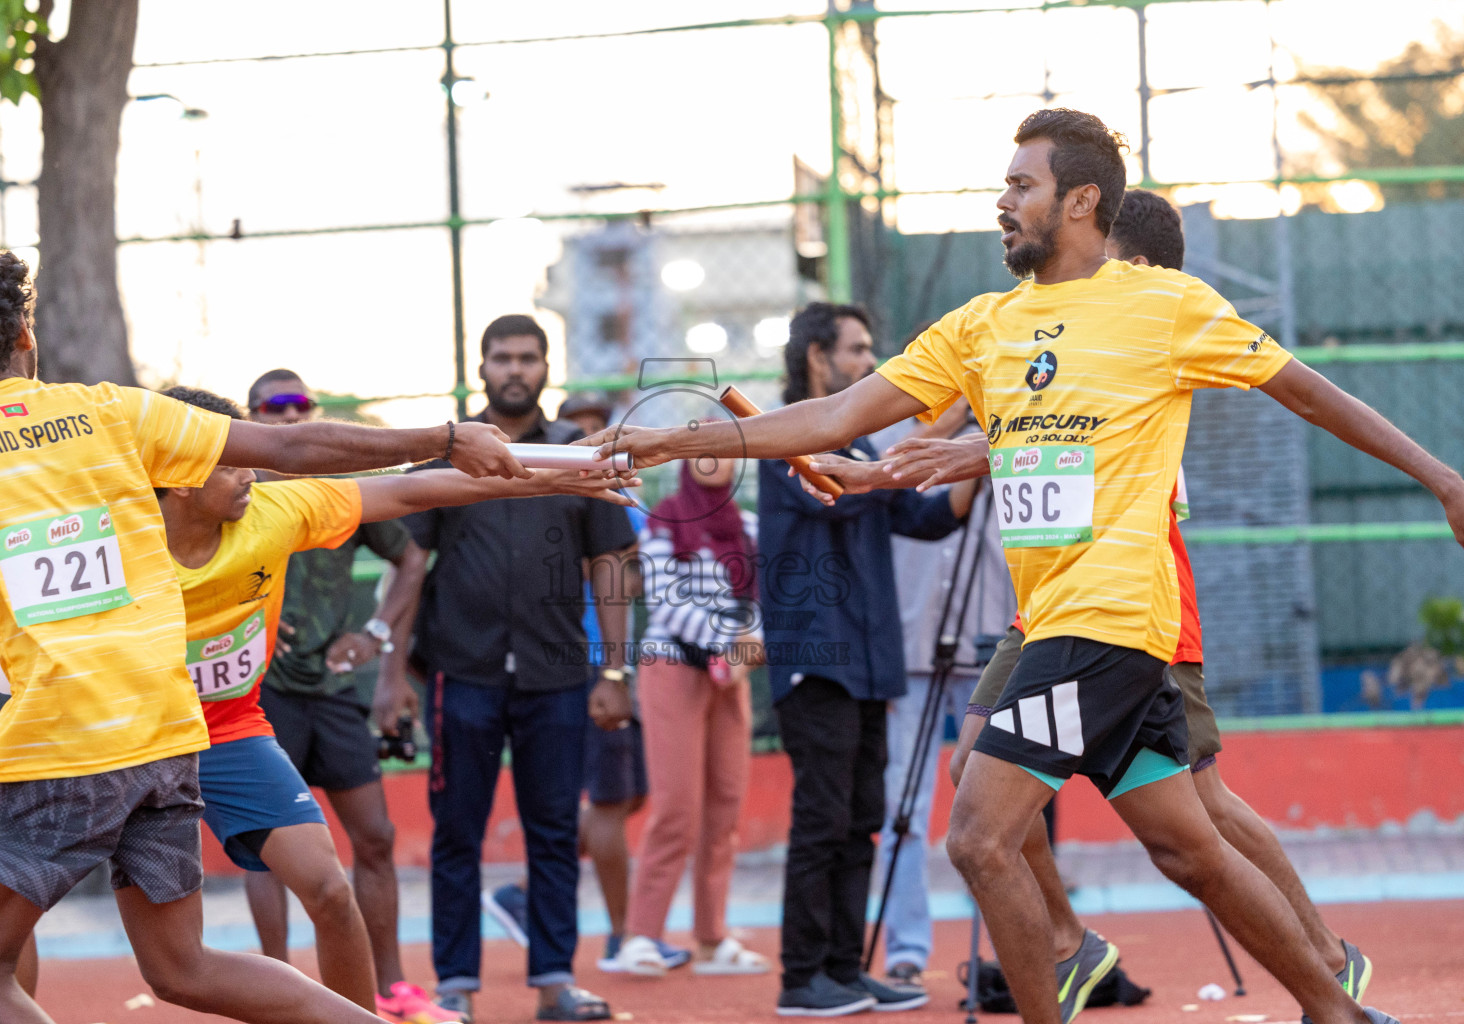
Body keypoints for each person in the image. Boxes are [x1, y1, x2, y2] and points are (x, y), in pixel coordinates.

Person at [581, 109, 1457, 1024]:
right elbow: (833, 416)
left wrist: (1443, 479)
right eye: (1003, 187)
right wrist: (673, 439)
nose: (1002, 204)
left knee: (979, 838)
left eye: (1020, 186)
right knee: (1184, 846)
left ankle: (1076, 968)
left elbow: (1311, 395)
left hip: (1111, 615)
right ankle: (1333, 1008)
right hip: (1049, 618)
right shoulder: (983, 327)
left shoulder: (1167, 306)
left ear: (1081, 201)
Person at [0, 246, 524, 1024]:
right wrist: (444, 434)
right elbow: (291, 447)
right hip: (170, 733)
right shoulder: (112, 410)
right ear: (24, 339)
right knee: (184, 968)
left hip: (64, 734)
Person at [850, 188, 1370, 1010]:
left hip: (1133, 603)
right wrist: (938, 455)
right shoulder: (1037, 326)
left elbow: (1082, 437)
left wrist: (960, 451)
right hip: (1048, 603)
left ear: (1129, 266)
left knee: (1201, 810)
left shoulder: (1154, 332)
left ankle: (1327, 959)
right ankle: (1066, 939)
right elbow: (1034, 424)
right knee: (981, 777)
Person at [376, 315, 636, 1024]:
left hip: (558, 678)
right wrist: (390, 674)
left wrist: (616, 673)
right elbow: (408, 565)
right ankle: (455, 986)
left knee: (555, 830)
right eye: (502, 358)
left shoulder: (578, 456)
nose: (515, 369)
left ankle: (554, 982)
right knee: (456, 831)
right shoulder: (452, 456)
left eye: (527, 358)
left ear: (546, 367)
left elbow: (610, 564)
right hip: (461, 676)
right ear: (481, 367)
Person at [759, 302, 964, 1016]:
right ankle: (801, 976)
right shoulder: (787, 435)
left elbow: (927, 517)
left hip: (870, 661)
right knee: (822, 818)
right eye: (856, 349)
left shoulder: (866, 447)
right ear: (818, 357)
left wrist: (983, 447)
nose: (868, 362)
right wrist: (960, 408)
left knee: (861, 816)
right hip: (818, 658)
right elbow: (841, 493)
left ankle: (843, 969)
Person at [236, 369, 446, 1024]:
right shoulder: (233, 492)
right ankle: (276, 987)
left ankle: (392, 990)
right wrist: (249, 610)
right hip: (261, 693)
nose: (289, 417)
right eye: (274, 408)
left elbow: (412, 557)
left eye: (300, 406)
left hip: (333, 691)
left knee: (376, 837)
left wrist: (377, 637)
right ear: (252, 419)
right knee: (267, 848)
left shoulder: (336, 493)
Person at [482, 386, 670, 975]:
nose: (590, 431)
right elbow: (624, 571)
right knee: (610, 802)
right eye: (579, 423)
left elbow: (633, 569)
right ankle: (621, 936)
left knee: (629, 795)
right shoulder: (558, 491)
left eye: (600, 422)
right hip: (580, 661)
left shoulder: (611, 489)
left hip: (610, 659)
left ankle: (521, 891)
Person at [869, 398, 1013, 990]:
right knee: (902, 806)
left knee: (1003, 807)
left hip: (992, 646)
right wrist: (949, 427)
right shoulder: (887, 441)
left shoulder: (1011, 437)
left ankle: (1013, 948)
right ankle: (905, 948)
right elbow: (879, 492)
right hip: (913, 648)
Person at [611, 454, 769, 977]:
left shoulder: (748, 527)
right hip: (674, 665)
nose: (712, 458)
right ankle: (642, 936)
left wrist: (748, 649)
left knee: (725, 804)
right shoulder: (663, 522)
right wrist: (728, 643)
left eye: (724, 447)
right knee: (676, 806)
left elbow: (767, 598)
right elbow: (664, 600)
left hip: (734, 676)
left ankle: (710, 938)